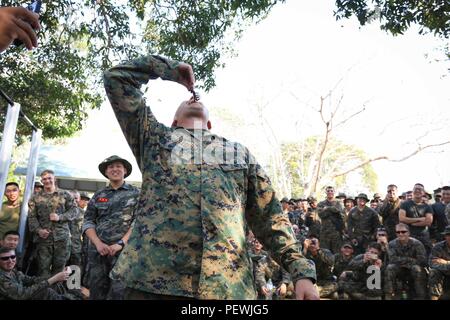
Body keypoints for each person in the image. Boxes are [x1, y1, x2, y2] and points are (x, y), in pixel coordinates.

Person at [103, 53, 318, 300]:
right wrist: (171, 70)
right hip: (152, 284)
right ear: (174, 121)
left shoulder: (239, 153)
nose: (192, 101)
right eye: (183, 105)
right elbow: (116, 78)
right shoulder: (154, 139)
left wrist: (300, 271)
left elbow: (269, 216)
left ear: (210, 124)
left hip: (227, 288)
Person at [82, 156, 140, 300]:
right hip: (98, 252)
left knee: (119, 293)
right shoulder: (98, 195)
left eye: (118, 166)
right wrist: (98, 243)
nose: (115, 169)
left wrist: (121, 243)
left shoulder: (136, 193)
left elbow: (138, 222)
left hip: (124, 252)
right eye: (110, 167)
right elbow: (88, 222)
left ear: (125, 170)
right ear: (106, 172)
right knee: (96, 292)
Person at [28, 169, 78, 278]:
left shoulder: (65, 195)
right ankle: (44, 294)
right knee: (43, 270)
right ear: (41, 181)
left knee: (60, 270)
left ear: (54, 179)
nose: (47, 181)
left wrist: (60, 217)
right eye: (44, 179)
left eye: (49, 178)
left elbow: (74, 211)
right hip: (44, 240)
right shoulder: (35, 198)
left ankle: (56, 294)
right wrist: (38, 230)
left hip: (62, 239)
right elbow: (32, 217)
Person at [0, 247, 73, 300]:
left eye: (12, 257)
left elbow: (32, 280)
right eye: (5, 258)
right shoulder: (2, 278)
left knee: (54, 286)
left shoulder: (13, 272)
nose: (10, 260)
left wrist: (57, 277)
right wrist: (52, 280)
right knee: (46, 292)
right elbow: (23, 294)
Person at [384, 223, 427, 300]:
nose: (400, 234)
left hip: (413, 268)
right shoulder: (391, 244)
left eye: (403, 232)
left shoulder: (417, 244)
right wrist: (410, 260)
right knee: (390, 267)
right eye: (398, 232)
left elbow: (422, 260)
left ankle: (420, 296)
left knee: (417, 269)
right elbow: (392, 259)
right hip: (399, 269)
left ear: (408, 233)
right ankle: (389, 295)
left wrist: (404, 262)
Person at [398, 183, 433, 255]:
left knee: (424, 257)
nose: (417, 191)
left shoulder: (427, 206)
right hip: (408, 236)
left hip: (423, 237)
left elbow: (428, 221)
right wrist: (420, 219)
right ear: (412, 191)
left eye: (420, 189)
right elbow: (401, 218)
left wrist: (410, 222)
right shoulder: (405, 204)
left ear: (423, 192)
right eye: (415, 189)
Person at [318, 186, 345, 254]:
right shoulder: (321, 203)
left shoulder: (339, 202)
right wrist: (332, 210)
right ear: (326, 192)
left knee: (337, 253)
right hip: (325, 233)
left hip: (336, 232)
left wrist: (327, 208)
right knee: (325, 253)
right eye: (328, 191)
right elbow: (321, 214)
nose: (330, 192)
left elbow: (340, 214)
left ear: (334, 192)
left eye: (331, 191)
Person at [428, 225, 450, 300]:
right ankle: (434, 297)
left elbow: (439, 263)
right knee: (433, 272)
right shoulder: (438, 247)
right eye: (448, 235)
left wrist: (446, 262)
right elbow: (432, 263)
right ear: (445, 236)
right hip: (443, 274)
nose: (449, 237)